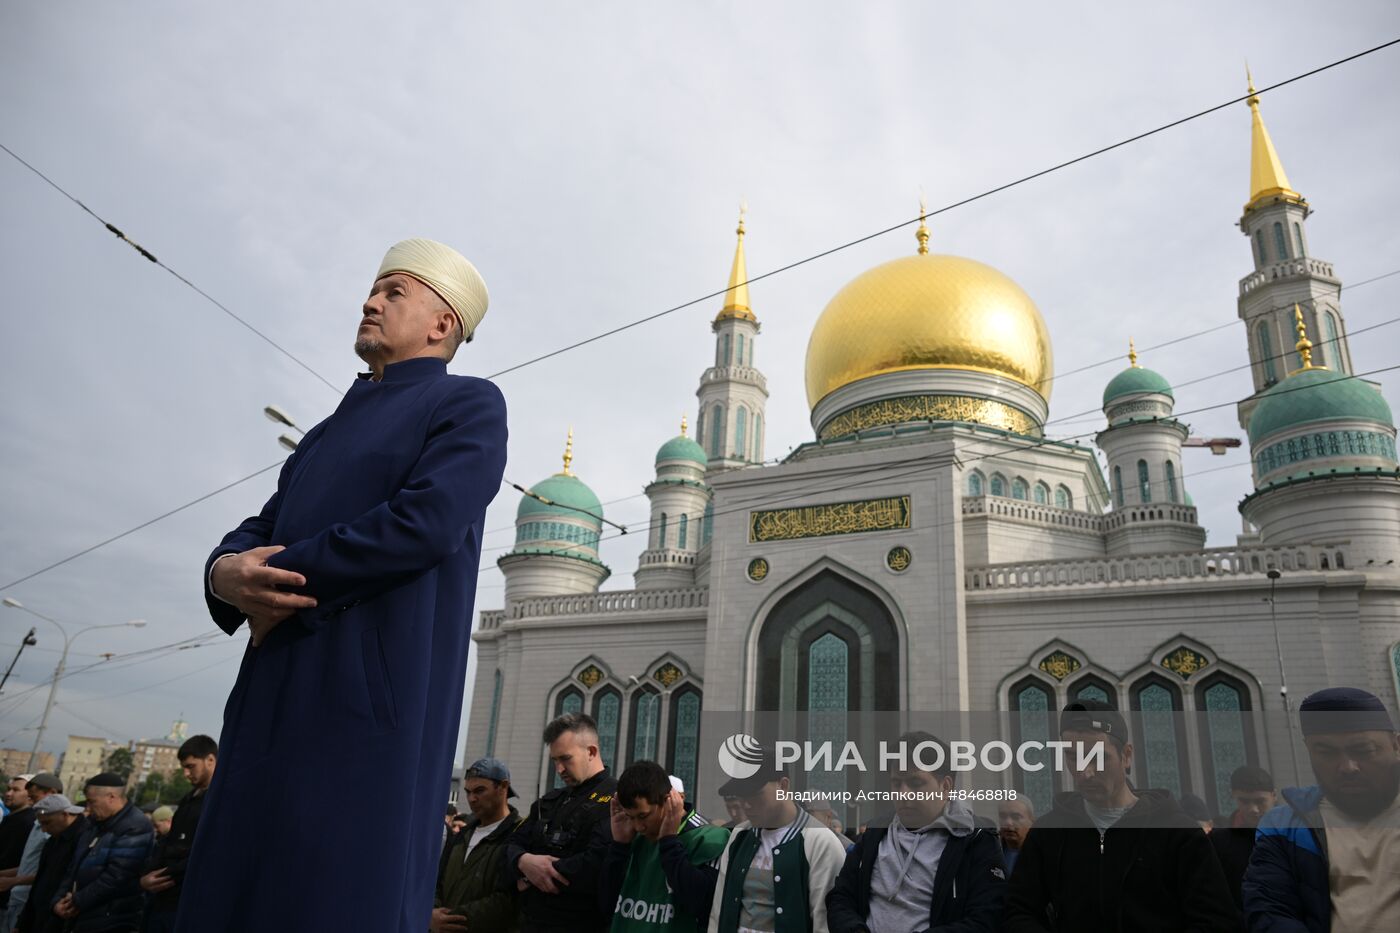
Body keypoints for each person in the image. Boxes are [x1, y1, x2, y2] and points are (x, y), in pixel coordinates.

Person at [180, 238, 507, 932]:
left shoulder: (467, 406)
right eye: (373, 288)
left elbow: (423, 523)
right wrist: (224, 573)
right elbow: (254, 529)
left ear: (441, 323)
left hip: (366, 716)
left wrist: (276, 576)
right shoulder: (323, 436)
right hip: (269, 701)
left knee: (329, 893)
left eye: (393, 291)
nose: (369, 300)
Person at [1002, 700, 1238, 931]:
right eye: (1074, 757)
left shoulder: (1177, 833)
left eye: (1098, 757)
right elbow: (1019, 910)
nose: (1086, 772)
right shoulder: (1049, 834)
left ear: (1126, 756)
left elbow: (1215, 919)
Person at [1243, 686, 1400, 932]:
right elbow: (1271, 910)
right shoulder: (1284, 827)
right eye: (1327, 753)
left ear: (1396, 745)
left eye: (1364, 751)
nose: (1348, 767)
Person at [827, 731, 1006, 932]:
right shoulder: (873, 835)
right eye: (896, 783)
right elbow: (841, 898)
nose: (903, 794)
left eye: (915, 783)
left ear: (946, 786)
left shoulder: (977, 840)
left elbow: (987, 917)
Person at [707, 744, 848, 933]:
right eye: (742, 796)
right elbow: (719, 910)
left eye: (755, 795)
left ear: (783, 785)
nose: (746, 804)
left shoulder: (820, 843)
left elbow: (825, 922)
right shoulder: (739, 835)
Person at [504, 713, 617, 932]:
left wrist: (532, 874)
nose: (559, 769)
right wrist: (523, 861)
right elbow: (508, 847)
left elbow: (596, 865)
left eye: (565, 758)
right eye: (555, 760)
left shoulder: (615, 800)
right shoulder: (550, 801)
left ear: (591, 752)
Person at [598, 760, 729, 932]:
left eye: (643, 816)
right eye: (631, 817)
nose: (638, 827)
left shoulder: (710, 838)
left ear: (668, 802)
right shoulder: (634, 838)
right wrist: (619, 847)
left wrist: (668, 841)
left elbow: (704, 905)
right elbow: (606, 906)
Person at [53, 772, 153, 932]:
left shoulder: (136, 826)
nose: (88, 808)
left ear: (111, 797)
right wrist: (58, 900)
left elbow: (117, 876)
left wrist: (76, 901)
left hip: (112, 919)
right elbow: (74, 867)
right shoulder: (93, 824)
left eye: (92, 802)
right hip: (83, 916)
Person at [432, 758, 523, 933]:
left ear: (503, 787)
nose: (472, 799)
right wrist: (432, 913)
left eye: (480, 791)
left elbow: (508, 900)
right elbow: (438, 881)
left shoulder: (519, 834)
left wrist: (449, 918)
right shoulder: (461, 836)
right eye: (468, 792)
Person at [140, 735, 217, 932]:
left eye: (191, 766)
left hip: (188, 901)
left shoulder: (219, 801)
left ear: (210, 760)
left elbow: (206, 851)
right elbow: (168, 841)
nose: (185, 773)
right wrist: (147, 876)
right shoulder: (188, 800)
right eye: (183, 767)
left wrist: (165, 876)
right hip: (163, 900)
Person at [15, 794, 88, 933]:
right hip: (38, 918)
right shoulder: (54, 839)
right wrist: (22, 923)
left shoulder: (84, 838)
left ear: (65, 814)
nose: (44, 829)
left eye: (47, 823)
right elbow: (40, 882)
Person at [1207, 764, 1274, 915]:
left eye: (1260, 801)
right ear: (1233, 797)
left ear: (1274, 796)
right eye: (1245, 801)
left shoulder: (1294, 836)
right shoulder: (1218, 842)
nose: (1253, 809)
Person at [0, 773, 62, 930]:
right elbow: (27, 864)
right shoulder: (37, 822)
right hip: (16, 898)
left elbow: (49, 871)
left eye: (34, 798)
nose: (32, 803)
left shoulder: (53, 827)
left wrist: (13, 881)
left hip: (29, 902)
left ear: (52, 794)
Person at [0, 775, 36, 915]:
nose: (9, 794)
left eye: (16, 790)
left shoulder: (29, 822)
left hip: (10, 899)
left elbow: (27, 863)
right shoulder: (11, 818)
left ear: (30, 796)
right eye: (8, 789)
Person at [997, 796, 1034, 876]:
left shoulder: (1042, 854)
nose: (1008, 823)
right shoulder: (991, 853)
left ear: (1031, 821)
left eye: (1016, 817)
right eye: (1003, 816)